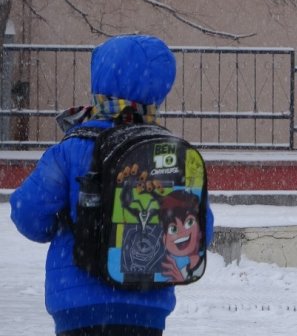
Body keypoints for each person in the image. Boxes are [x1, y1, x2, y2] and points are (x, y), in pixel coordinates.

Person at [10, 35, 215, 335]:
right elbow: (201, 230)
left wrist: (67, 222)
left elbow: (27, 214)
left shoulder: (73, 148)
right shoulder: (170, 154)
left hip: (78, 304)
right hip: (147, 307)